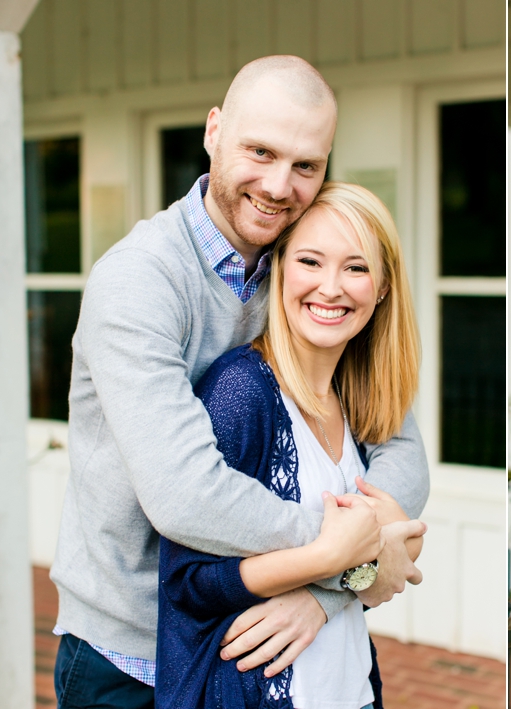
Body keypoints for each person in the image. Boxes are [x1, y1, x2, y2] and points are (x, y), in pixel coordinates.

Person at [53, 56, 428, 709]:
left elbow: (398, 445)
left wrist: (326, 586)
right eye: (260, 151)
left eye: (306, 166)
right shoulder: (141, 280)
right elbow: (186, 495)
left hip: (254, 639)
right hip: (132, 654)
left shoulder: (303, 271)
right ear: (213, 131)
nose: (280, 185)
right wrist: (351, 555)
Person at [157, 182, 425, 709]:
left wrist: (327, 590)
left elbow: (402, 541)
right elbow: (186, 583)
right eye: (310, 261)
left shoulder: (359, 398)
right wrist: (336, 558)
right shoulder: (241, 391)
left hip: (351, 692)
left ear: (384, 286)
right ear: (280, 268)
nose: (331, 287)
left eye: (356, 267)